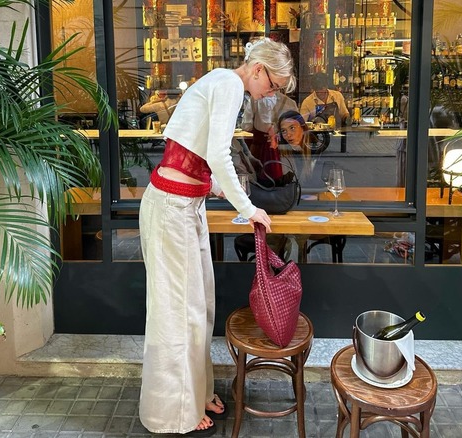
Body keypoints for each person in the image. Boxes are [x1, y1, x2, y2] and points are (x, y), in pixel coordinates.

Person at [138, 37, 295, 437]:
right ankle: (175, 412)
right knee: (178, 312)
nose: (270, 94)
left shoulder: (220, 82)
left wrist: (216, 187)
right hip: (172, 210)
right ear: (257, 69)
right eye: (273, 85)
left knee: (197, 306)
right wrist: (249, 208)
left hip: (180, 205)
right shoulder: (229, 84)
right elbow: (218, 153)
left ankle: (196, 392)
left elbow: (187, 150)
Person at [240, 90, 298, 181]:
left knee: (258, 180)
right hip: (282, 151)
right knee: (283, 179)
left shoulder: (254, 99)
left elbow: (246, 125)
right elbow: (296, 130)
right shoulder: (290, 103)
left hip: (259, 148)